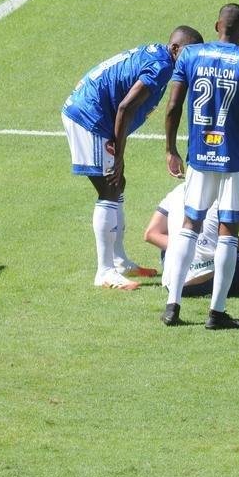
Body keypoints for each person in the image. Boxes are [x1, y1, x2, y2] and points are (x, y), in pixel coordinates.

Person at [61, 26, 203, 290]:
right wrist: (118, 154)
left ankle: (119, 260)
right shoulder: (161, 67)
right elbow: (125, 107)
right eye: (189, 53)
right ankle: (105, 272)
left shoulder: (161, 57)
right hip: (89, 116)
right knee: (109, 187)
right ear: (175, 49)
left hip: (95, 112)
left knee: (117, 184)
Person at [161, 4, 239, 330]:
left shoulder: (190, 55)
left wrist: (170, 148)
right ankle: (216, 311)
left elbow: (173, 106)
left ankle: (172, 305)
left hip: (199, 156)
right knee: (228, 231)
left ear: (216, 25)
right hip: (234, 159)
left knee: (189, 225)